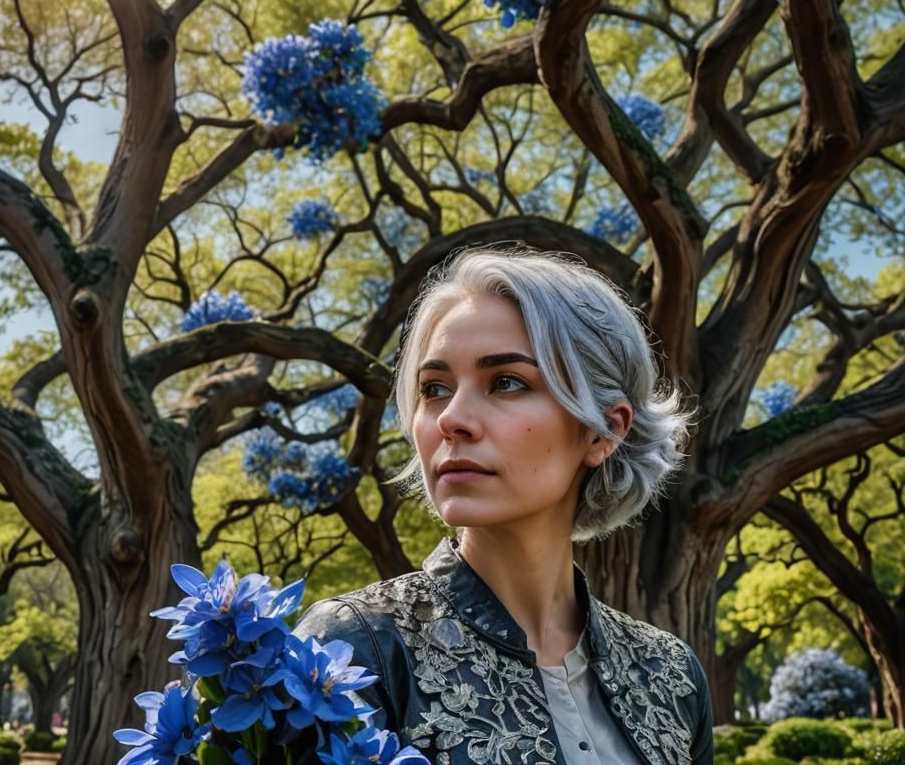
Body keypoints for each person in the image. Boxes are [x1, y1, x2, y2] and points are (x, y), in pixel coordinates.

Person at [296, 247, 712, 765]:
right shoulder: (354, 648)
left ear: (604, 430)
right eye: (434, 388)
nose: (452, 418)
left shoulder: (671, 676)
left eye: (507, 382)